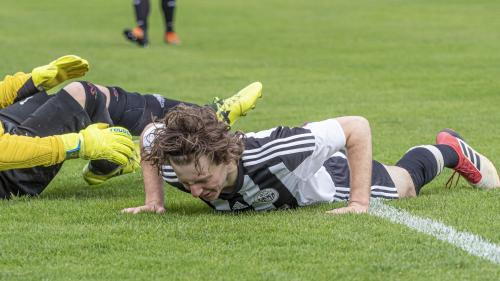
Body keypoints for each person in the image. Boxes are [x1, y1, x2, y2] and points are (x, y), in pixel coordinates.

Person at [122, 104, 500, 215]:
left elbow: (357, 126)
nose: (194, 190)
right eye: (188, 182)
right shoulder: (181, 164)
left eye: (202, 180)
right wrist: (155, 201)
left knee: (406, 184)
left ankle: (451, 150)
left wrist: (357, 203)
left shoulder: (277, 155)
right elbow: (150, 136)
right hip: (301, 163)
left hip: (324, 179)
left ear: (225, 156)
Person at [0, 56, 262, 199]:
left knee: (74, 98)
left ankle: (203, 116)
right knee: (82, 94)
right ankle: (111, 158)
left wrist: (27, 83)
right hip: (10, 172)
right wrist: (78, 144)